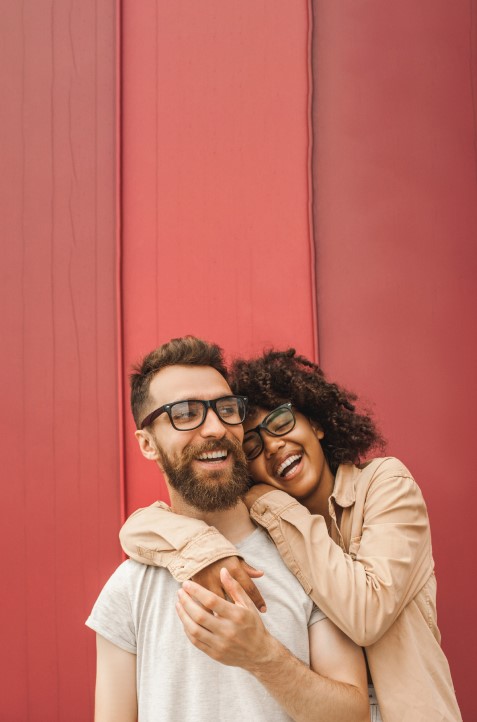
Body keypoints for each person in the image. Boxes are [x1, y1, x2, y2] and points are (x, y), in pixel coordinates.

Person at [120, 346, 462, 722]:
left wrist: (267, 498)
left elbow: (367, 613)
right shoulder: (261, 527)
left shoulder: (383, 485)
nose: (274, 446)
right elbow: (138, 528)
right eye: (252, 445)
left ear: (315, 422)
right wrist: (204, 549)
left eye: (282, 424)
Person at [87, 337, 370, 722]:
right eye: (185, 413)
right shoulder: (130, 587)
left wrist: (262, 657)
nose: (215, 428)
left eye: (225, 409)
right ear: (147, 444)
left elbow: (353, 715)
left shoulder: (306, 554)